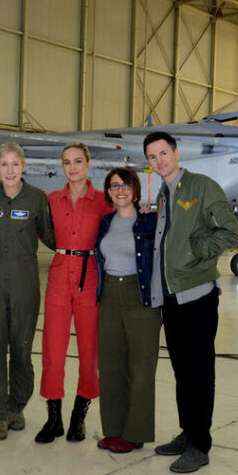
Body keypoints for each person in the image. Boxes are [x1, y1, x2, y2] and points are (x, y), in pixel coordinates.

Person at [144, 131, 238, 474]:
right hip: (171, 297)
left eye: (163, 153)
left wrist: (194, 252)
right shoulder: (164, 193)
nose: (159, 161)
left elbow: (230, 233)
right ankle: (187, 433)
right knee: (182, 371)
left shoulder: (202, 186)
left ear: (175, 152)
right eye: (153, 157)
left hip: (197, 295)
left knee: (199, 372)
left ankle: (200, 445)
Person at [0, 142, 55, 441]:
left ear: (24, 166)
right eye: (4, 164)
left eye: (15, 163)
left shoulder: (36, 198)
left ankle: (17, 406)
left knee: (21, 347)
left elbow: (52, 236)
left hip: (25, 279)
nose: (9, 170)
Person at [35, 142, 112, 444]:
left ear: (88, 163)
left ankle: (79, 416)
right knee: (53, 346)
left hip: (89, 273)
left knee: (89, 349)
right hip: (59, 272)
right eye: (67, 162)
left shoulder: (103, 201)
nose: (72, 167)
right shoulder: (51, 200)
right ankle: (53, 417)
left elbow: (123, 221)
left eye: (78, 161)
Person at [94, 168, 161, 454]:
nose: (119, 190)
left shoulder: (150, 220)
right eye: (113, 186)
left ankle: (135, 433)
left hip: (140, 296)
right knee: (110, 366)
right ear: (108, 192)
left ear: (135, 189)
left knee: (141, 368)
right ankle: (114, 429)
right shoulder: (105, 222)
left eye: (125, 185)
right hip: (109, 295)